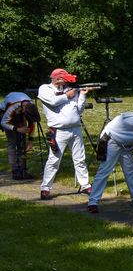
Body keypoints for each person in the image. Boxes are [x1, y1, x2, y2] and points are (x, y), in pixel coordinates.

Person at [37, 68, 92, 200]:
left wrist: (83, 95)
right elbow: (52, 101)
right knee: (54, 160)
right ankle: (45, 188)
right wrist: (67, 96)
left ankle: (85, 185)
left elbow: (79, 110)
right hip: (58, 130)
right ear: (57, 78)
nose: (66, 81)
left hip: (75, 128)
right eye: (64, 78)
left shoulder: (70, 90)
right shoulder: (45, 89)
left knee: (80, 159)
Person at [0, 91, 40, 180]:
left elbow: (31, 123)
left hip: (19, 112)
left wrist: (30, 141)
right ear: (24, 109)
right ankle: (15, 172)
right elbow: (3, 122)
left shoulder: (31, 106)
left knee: (22, 143)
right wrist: (17, 129)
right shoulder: (13, 106)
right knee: (12, 143)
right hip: (5, 115)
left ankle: (23, 171)